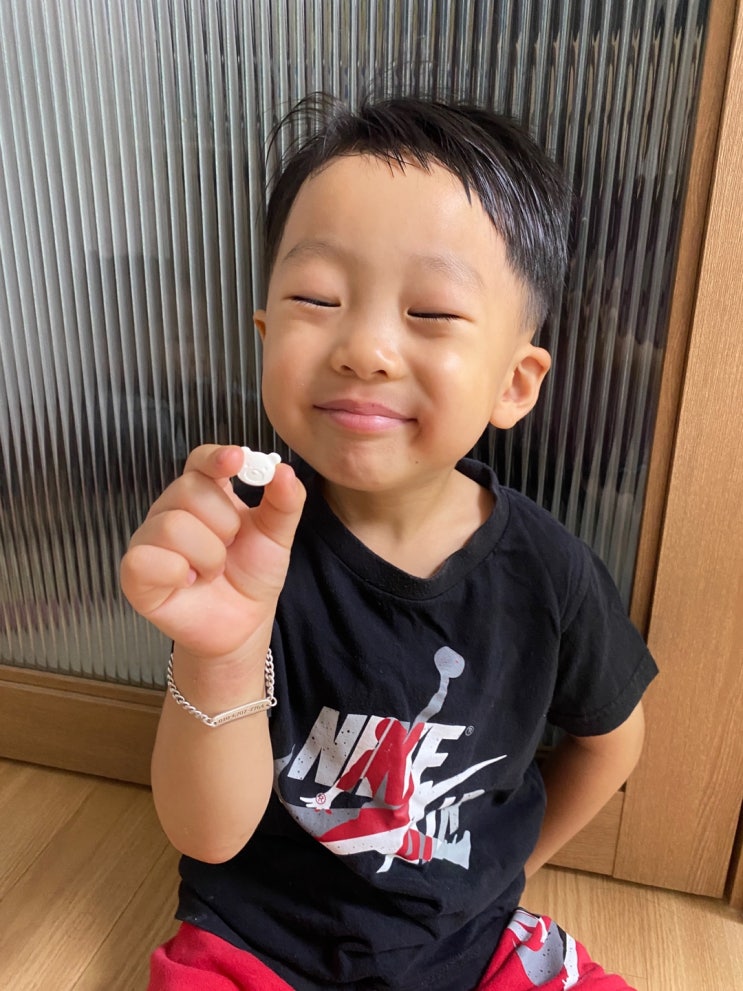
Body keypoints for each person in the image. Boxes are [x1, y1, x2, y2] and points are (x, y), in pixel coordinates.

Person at [120, 95, 657, 991]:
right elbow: (206, 835)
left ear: (515, 382)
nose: (364, 348)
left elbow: (612, 740)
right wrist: (219, 650)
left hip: (473, 945)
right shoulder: (244, 543)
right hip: (255, 938)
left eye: (432, 311)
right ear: (266, 335)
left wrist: (509, 871)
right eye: (316, 299)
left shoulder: (548, 571)